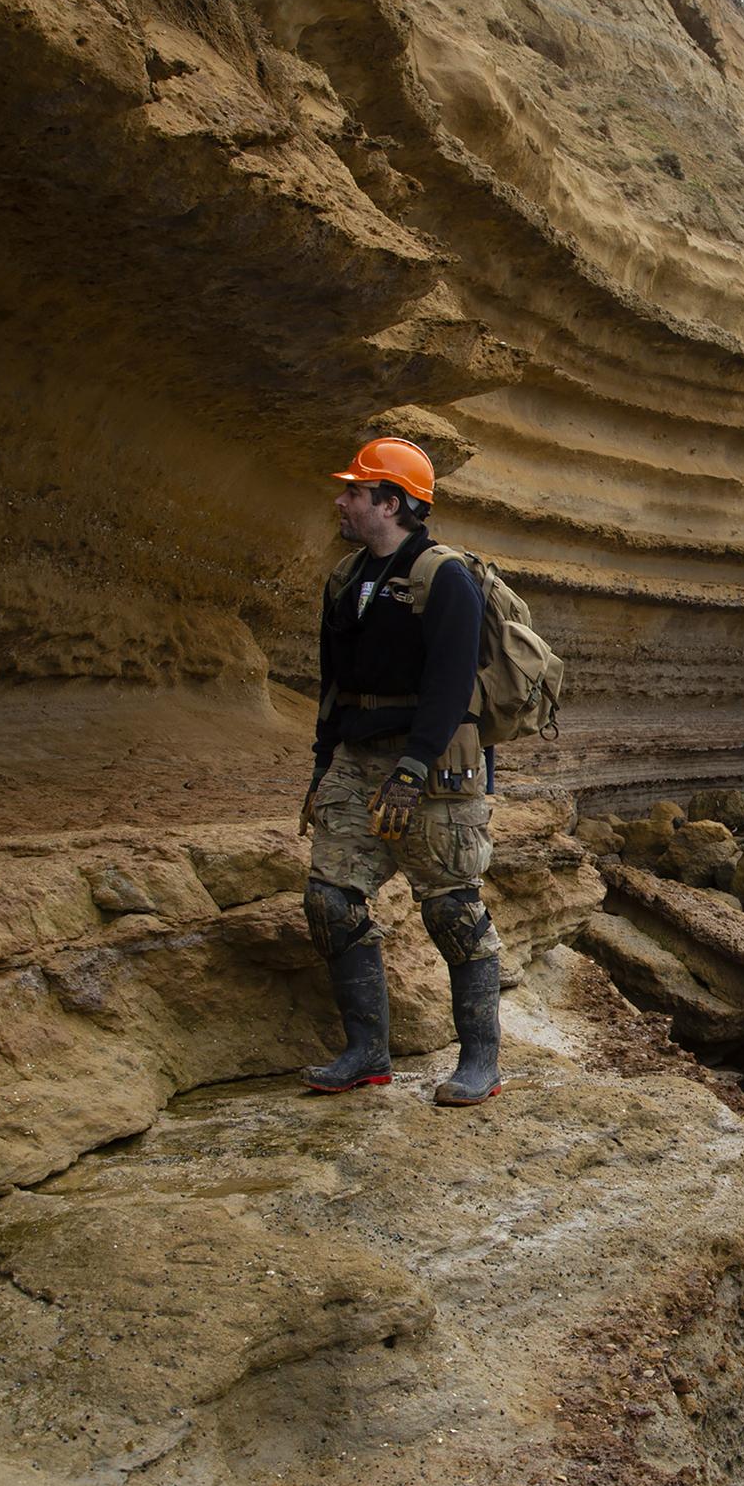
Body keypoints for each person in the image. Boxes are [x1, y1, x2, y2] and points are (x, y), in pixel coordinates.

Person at [295, 437, 503, 1105]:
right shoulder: (344, 578)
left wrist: (412, 771)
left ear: (393, 503)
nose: (342, 501)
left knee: (451, 909)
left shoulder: (445, 577)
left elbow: (451, 684)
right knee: (329, 898)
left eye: (355, 492)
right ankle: (366, 1054)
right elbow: (333, 687)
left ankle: (480, 1064)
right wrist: (324, 767)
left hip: (434, 763)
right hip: (357, 759)